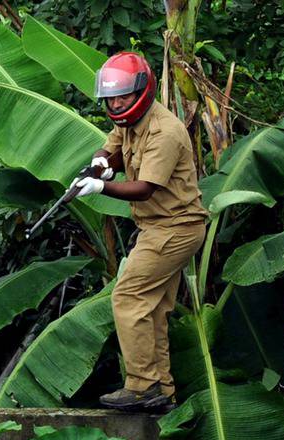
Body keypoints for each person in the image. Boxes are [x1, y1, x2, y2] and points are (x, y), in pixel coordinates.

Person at [70, 51, 209, 412]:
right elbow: (114, 144)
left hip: (175, 228)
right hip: (157, 227)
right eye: (111, 98)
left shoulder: (165, 131)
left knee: (128, 297)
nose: (116, 104)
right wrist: (101, 162)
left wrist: (101, 188)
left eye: (123, 96)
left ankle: (142, 385)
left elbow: (145, 187)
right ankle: (161, 390)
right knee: (154, 308)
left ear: (142, 91)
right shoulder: (131, 120)